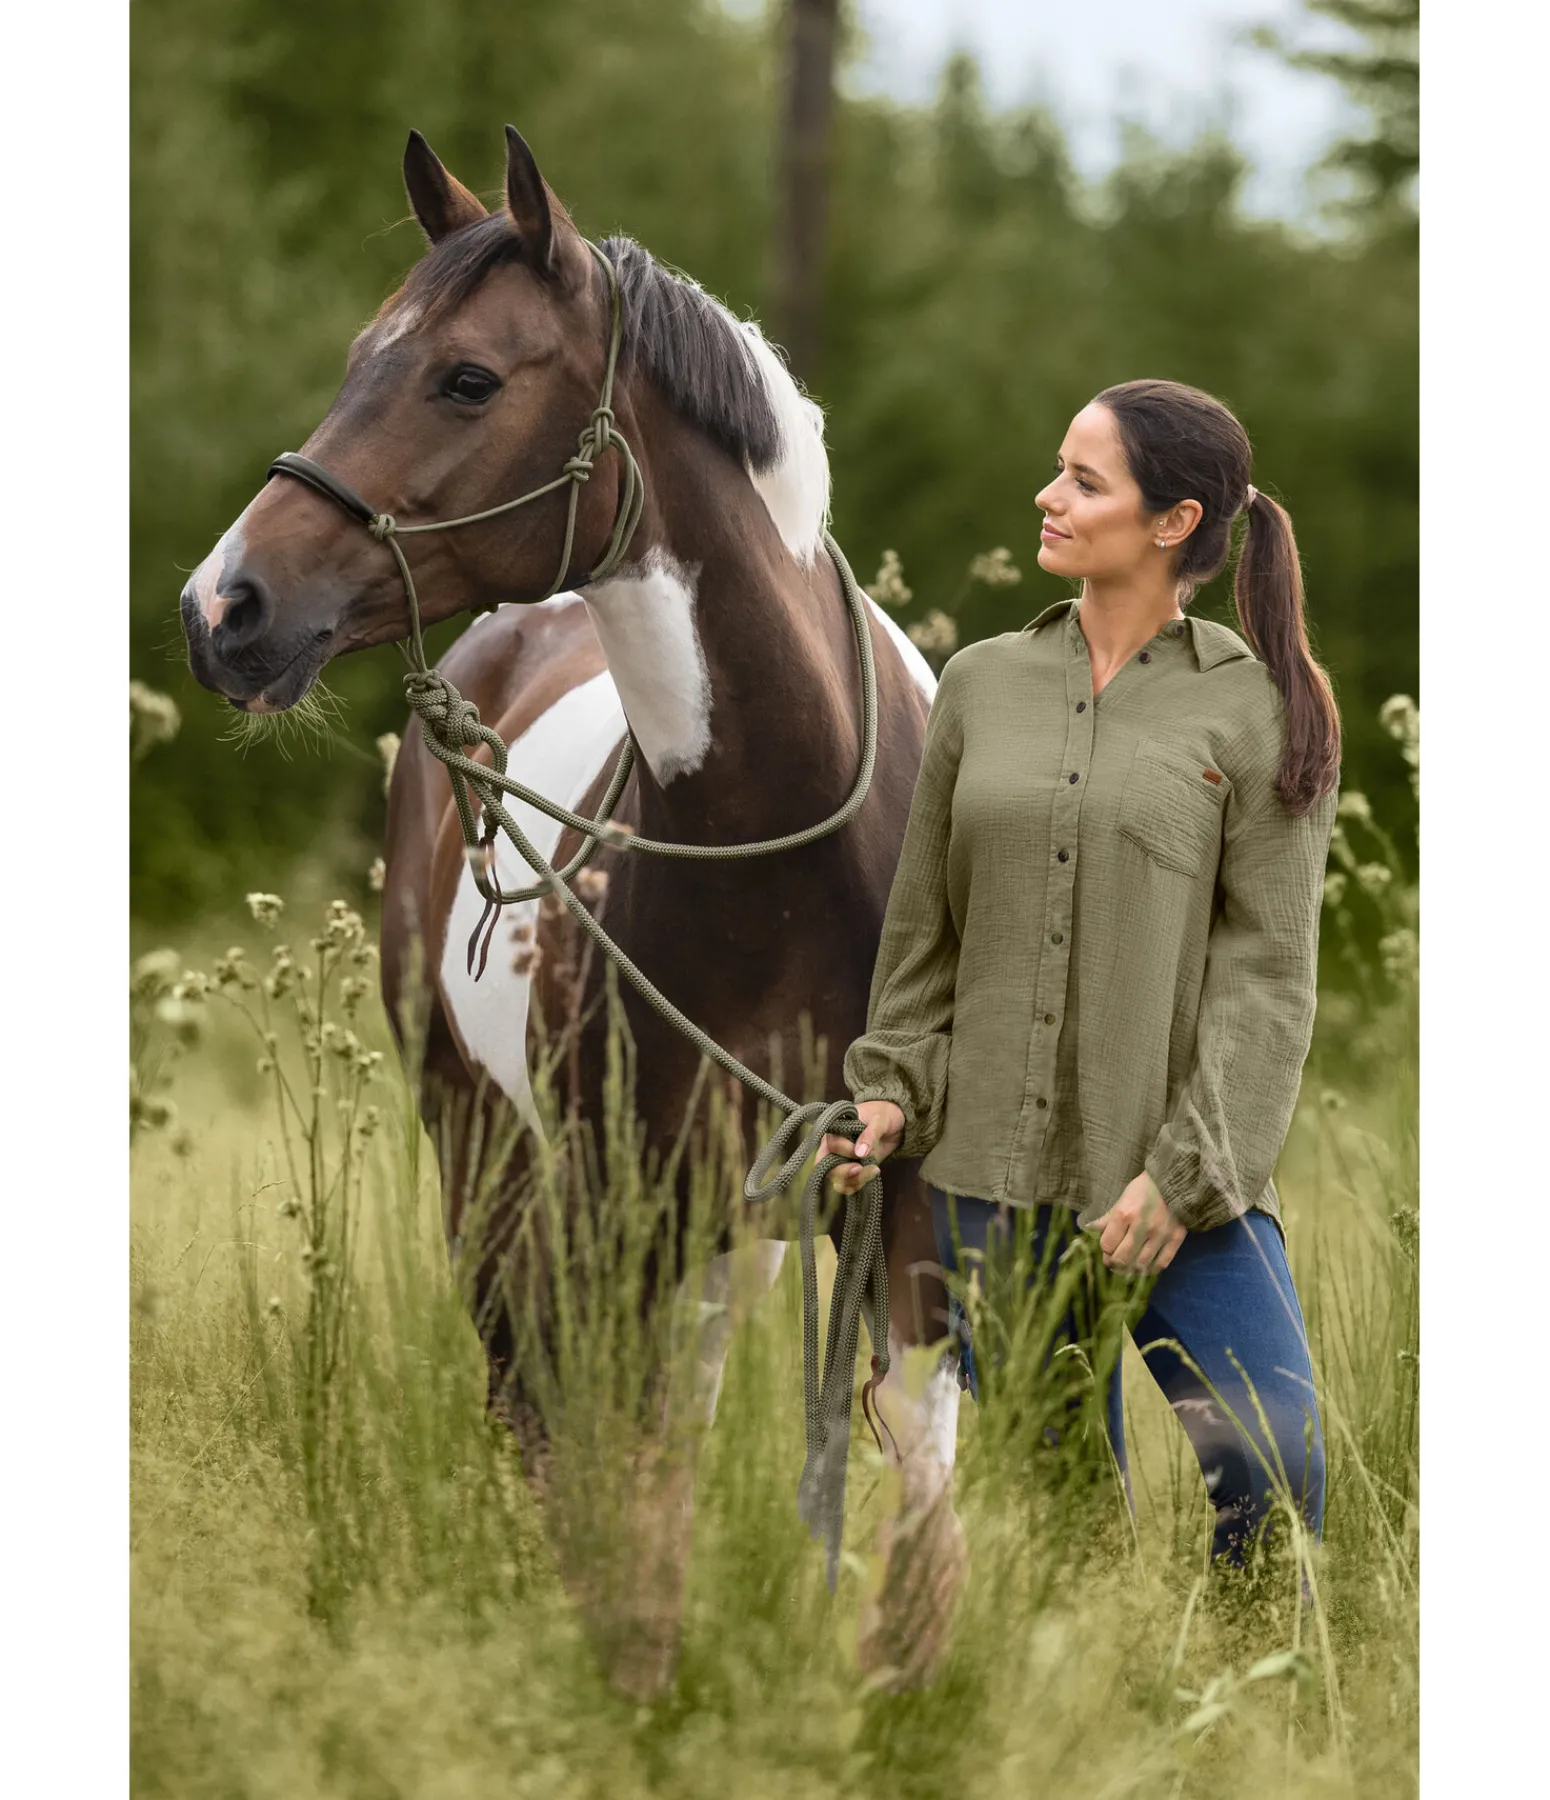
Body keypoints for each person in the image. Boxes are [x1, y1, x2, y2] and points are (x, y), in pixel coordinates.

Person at [821, 378, 1341, 1567]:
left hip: (1172, 1182)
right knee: (1060, 1523)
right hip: (990, 1186)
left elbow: (1267, 977)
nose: (1045, 497)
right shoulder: (978, 684)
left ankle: (1251, 1669)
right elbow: (923, 933)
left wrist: (1182, 1177)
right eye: (1058, 469)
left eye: (1082, 481)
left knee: (1273, 1457)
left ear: (1172, 522)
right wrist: (887, 1091)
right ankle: (1089, 1681)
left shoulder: (1257, 708)